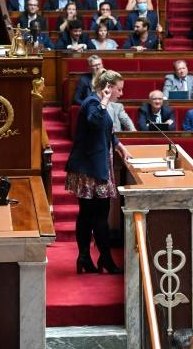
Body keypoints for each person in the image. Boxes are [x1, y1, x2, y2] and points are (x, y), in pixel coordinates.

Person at [65, 69, 132, 274]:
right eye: (118, 89)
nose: (120, 93)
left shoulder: (98, 104)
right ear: (107, 88)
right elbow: (95, 122)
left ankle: (86, 258)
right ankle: (103, 259)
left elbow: (106, 131)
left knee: (87, 214)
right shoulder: (92, 103)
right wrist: (104, 100)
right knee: (98, 215)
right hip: (91, 169)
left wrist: (120, 146)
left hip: (94, 165)